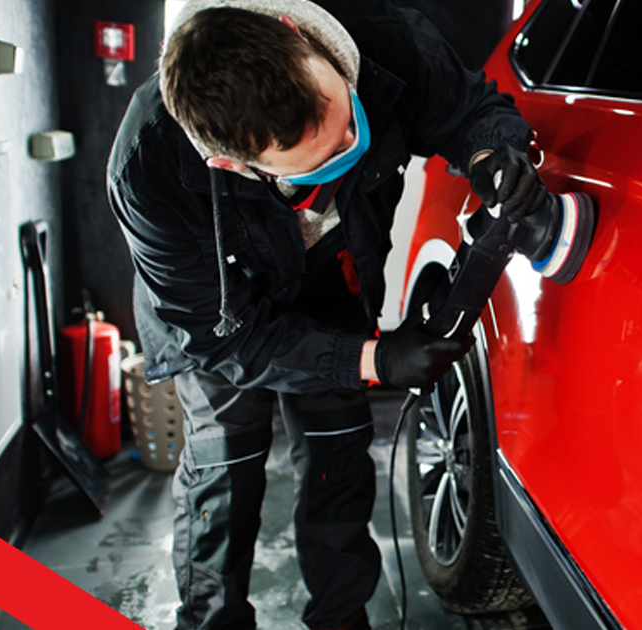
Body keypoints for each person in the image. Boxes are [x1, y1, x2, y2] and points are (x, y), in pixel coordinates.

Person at [105, 1, 547, 628]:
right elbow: (220, 339)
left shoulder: (381, 40)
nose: (351, 142)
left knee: (339, 461)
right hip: (226, 321)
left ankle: (341, 621)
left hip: (332, 283)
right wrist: (373, 359)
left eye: (348, 117)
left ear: (296, 36)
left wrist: (490, 155)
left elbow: (469, 111)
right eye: (329, 158)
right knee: (223, 474)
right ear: (232, 164)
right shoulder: (149, 167)